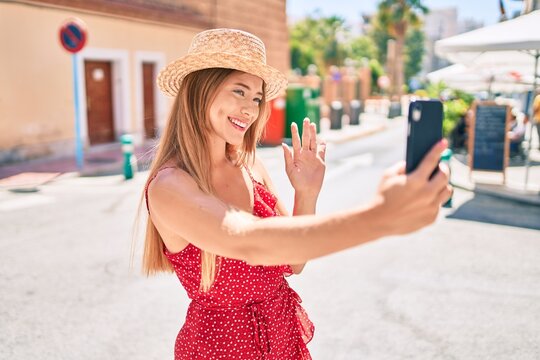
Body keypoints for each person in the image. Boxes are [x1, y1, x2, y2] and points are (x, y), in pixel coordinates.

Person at [140, 28, 451, 360]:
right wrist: (382, 216)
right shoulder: (169, 185)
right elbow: (249, 242)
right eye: (239, 91)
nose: (250, 109)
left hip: (281, 338)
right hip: (218, 350)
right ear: (200, 90)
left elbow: (292, 262)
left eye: (257, 99)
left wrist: (307, 193)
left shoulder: (250, 166)